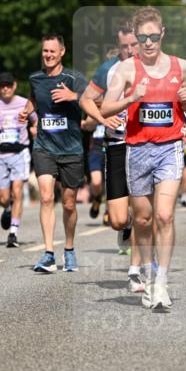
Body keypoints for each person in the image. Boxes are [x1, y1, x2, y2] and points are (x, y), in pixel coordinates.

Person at [101, 6, 186, 311]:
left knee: (164, 215)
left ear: (162, 34)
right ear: (137, 37)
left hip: (169, 148)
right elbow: (104, 108)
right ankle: (147, 273)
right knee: (142, 219)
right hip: (137, 150)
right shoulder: (127, 69)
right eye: (143, 37)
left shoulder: (180, 66)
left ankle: (162, 282)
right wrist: (131, 98)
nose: (149, 42)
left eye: (154, 36)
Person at [20, 34, 119, 274]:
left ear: (62, 52)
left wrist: (76, 99)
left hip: (71, 149)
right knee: (45, 197)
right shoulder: (35, 78)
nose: (48, 55)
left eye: (53, 51)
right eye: (45, 51)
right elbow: (35, 98)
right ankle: (48, 253)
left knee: (68, 203)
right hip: (44, 146)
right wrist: (26, 111)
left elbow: (90, 100)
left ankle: (70, 249)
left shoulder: (74, 78)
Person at [80, 22, 143, 290]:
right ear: (118, 46)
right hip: (116, 145)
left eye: (133, 45)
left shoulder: (150, 68)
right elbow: (85, 100)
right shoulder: (108, 69)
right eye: (124, 46)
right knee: (117, 220)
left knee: (143, 212)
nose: (129, 50)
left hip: (143, 146)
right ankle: (126, 225)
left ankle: (135, 271)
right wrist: (101, 118)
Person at [0, 72, 36, 247]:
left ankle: (13, 232)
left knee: (17, 191)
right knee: (4, 197)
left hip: (20, 153)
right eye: (2, 86)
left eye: (9, 85)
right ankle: (7, 208)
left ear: (14, 85)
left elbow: (35, 121)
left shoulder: (24, 103)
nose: (6, 88)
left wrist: (35, 129)